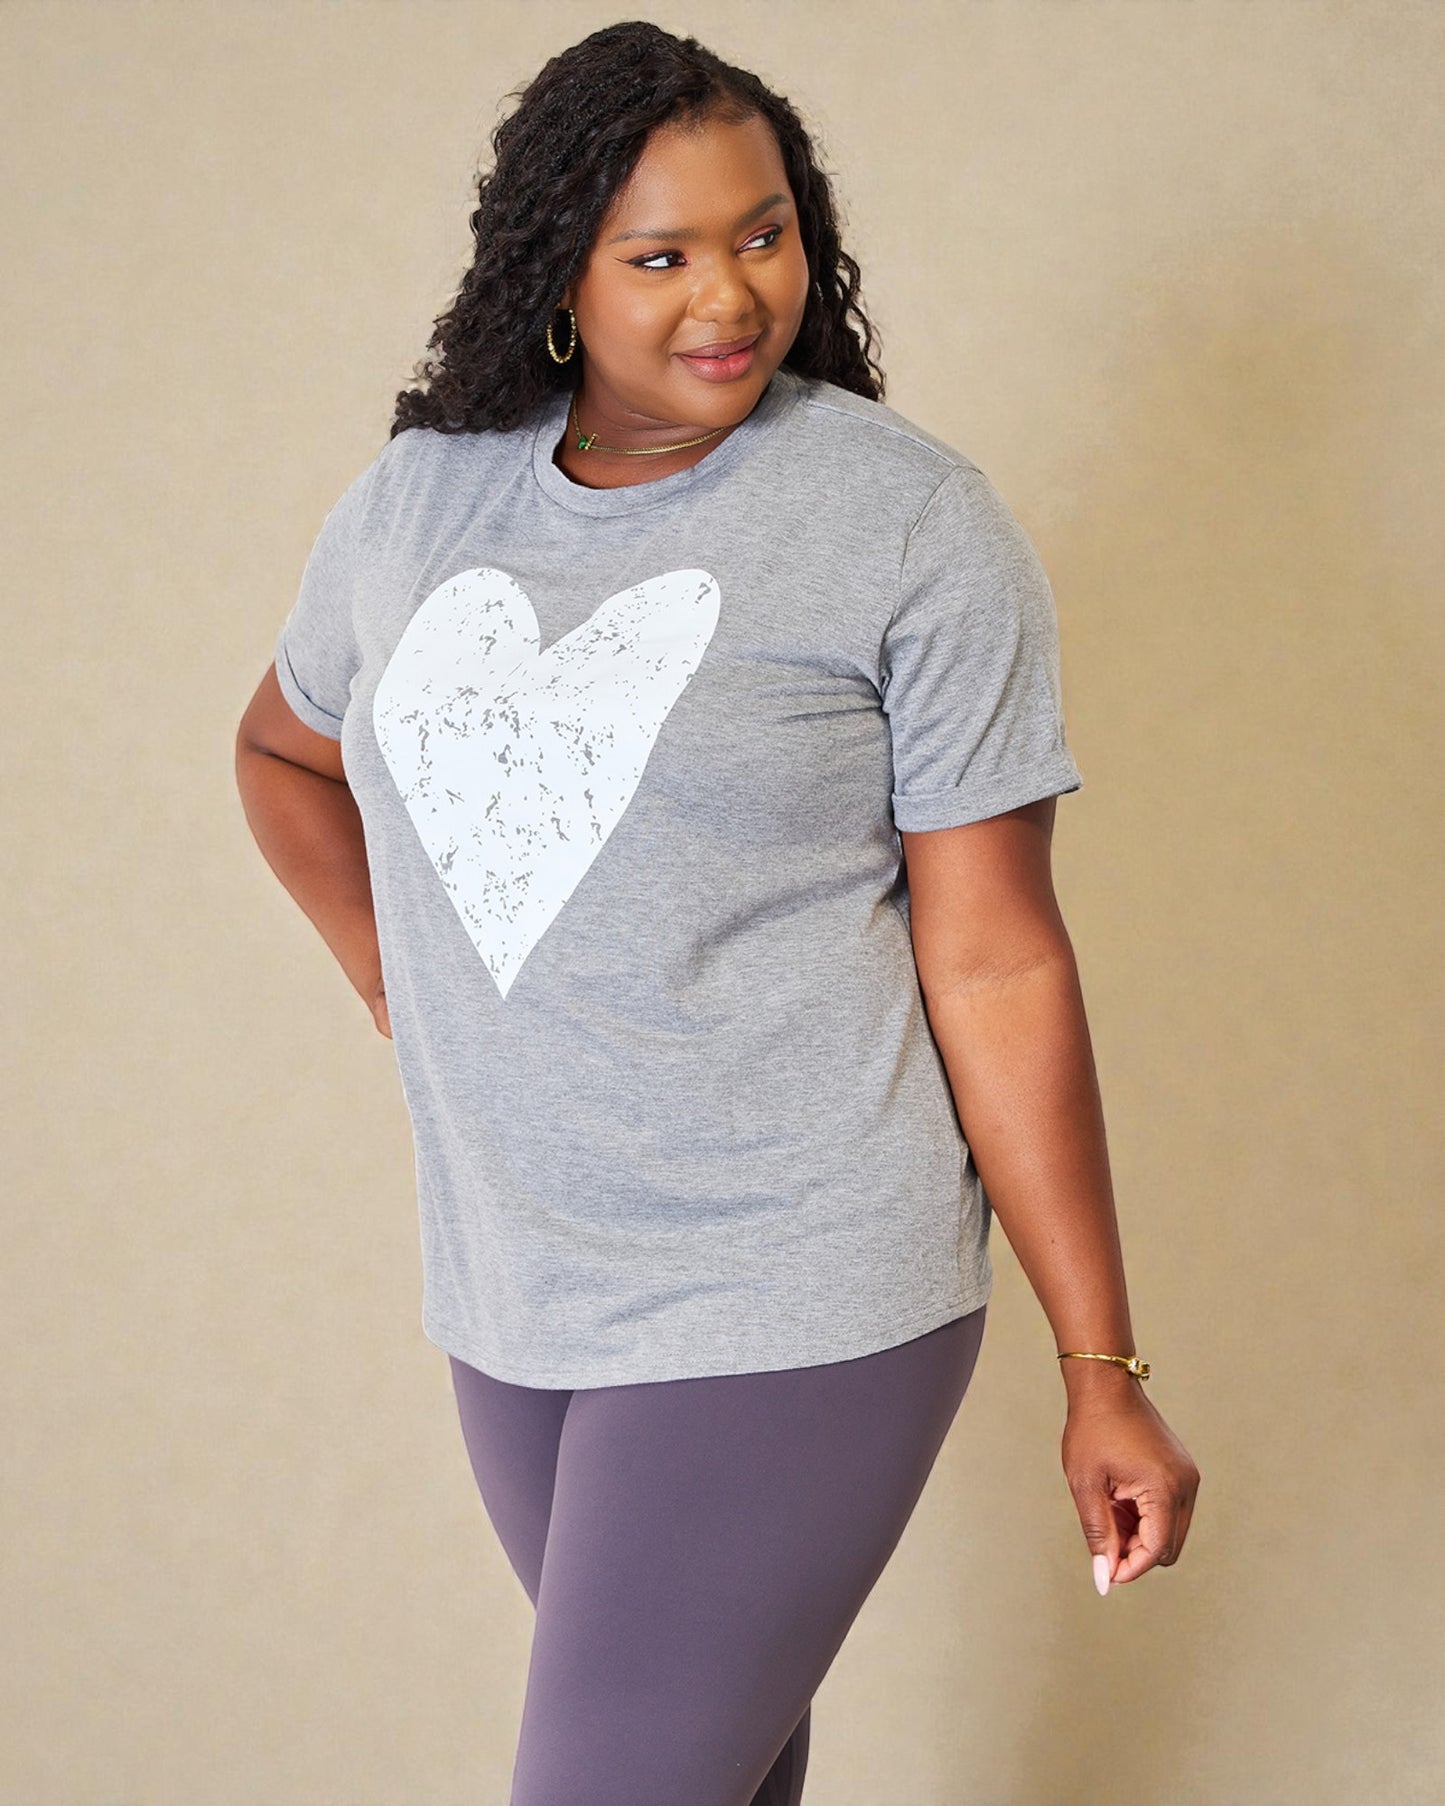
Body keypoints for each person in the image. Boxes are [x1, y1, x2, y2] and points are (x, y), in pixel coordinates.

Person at [235, 21, 1200, 1806]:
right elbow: (284, 754)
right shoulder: (417, 504)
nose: (728, 297)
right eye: (659, 254)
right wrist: (412, 980)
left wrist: (1099, 1364)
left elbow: (995, 957)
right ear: (555, 271)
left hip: (799, 1278)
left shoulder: (904, 522)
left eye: (761, 234)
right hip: (517, 1288)